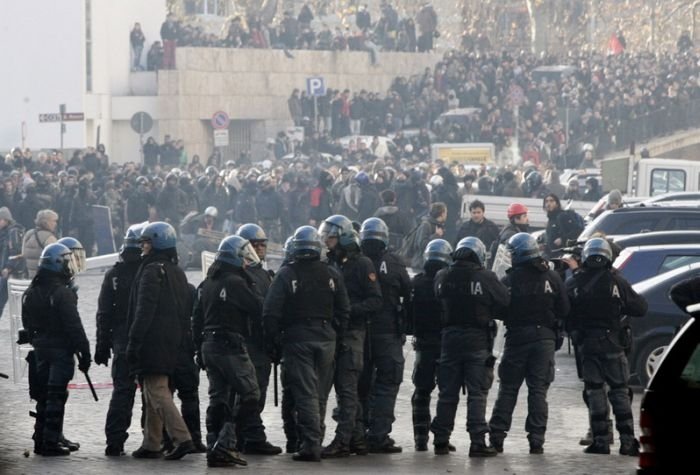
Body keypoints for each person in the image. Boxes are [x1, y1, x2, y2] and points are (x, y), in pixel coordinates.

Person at [263, 226, 351, 462]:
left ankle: (311, 444)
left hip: (297, 338)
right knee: (320, 394)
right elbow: (344, 310)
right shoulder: (332, 273)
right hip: (326, 338)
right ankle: (316, 438)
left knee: (305, 394)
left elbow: (270, 312)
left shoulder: (286, 274)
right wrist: (337, 335)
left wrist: (276, 340)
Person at [488, 233, 570, 455]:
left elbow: (497, 308)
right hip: (544, 340)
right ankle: (536, 440)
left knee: (508, 389)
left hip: (517, 339)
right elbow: (564, 308)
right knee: (538, 391)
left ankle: (496, 437)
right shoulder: (552, 277)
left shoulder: (511, 280)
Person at [565, 238, 647, 456]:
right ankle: (628, 442)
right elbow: (640, 307)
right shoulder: (616, 282)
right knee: (619, 391)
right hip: (613, 343)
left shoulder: (575, 283)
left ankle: (600, 441)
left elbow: (563, 312)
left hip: (588, 345)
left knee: (594, 392)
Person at [430, 237, 508, 456]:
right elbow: (504, 300)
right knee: (477, 394)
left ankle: (441, 440)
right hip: (477, 340)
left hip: (449, 339)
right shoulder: (486, 277)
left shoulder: (442, 276)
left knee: (447, 393)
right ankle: (477, 442)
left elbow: (438, 300)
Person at [191, 235, 262, 468]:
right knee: (250, 394)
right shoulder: (235, 282)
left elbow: (196, 319)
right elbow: (256, 307)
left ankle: (214, 446)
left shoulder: (208, 282)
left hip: (209, 346)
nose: (246, 262)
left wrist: (197, 349)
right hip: (231, 346)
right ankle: (226, 443)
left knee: (218, 398)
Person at [126, 221, 195, 460]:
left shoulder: (150, 270)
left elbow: (143, 310)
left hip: (152, 339)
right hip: (172, 339)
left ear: (155, 243)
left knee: (156, 389)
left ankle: (182, 437)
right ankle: (152, 442)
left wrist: (134, 341)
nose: (142, 247)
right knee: (150, 389)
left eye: (145, 242)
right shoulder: (176, 271)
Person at [320, 215, 382, 458]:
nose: (327, 241)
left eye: (332, 237)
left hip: (353, 333)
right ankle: (356, 438)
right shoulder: (332, 263)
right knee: (344, 390)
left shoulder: (362, 264)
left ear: (344, 237)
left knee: (347, 390)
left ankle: (343, 440)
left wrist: (347, 310)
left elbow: (375, 300)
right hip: (336, 332)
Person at [21, 242, 91, 456]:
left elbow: (27, 322)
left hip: (41, 348)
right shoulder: (61, 293)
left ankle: (41, 438)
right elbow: (74, 325)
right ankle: (50, 442)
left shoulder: (33, 290)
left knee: (45, 394)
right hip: (60, 349)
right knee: (56, 395)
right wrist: (84, 351)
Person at [357, 218, 411, 453]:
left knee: (360, 384)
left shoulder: (355, 262)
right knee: (387, 383)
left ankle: (357, 433)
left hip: (360, 333)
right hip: (388, 332)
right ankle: (378, 435)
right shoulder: (395, 262)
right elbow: (408, 294)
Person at [95, 223, 145, 456]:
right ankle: (153, 439)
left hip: (122, 340)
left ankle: (114, 441)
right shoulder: (150, 271)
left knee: (122, 391)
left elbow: (104, 314)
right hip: (147, 339)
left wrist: (102, 345)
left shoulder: (114, 274)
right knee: (153, 392)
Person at [234, 223, 282, 455]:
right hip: (249, 341)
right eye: (256, 244)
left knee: (256, 392)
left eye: (263, 244)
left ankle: (245, 435)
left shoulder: (263, 274)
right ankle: (250, 436)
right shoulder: (241, 275)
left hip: (262, 342)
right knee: (250, 393)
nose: (261, 248)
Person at [408, 239, 452, 451]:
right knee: (446, 392)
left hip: (424, 344)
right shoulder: (449, 282)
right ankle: (441, 439)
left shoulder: (417, 283)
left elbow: (408, 315)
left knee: (422, 391)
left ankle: (420, 438)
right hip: (446, 343)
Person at [489, 203, 529, 272]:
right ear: (516, 218)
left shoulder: (516, 229)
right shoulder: (510, 233)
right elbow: (513, 247)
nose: (527, 219)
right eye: (524, 216)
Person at [0, 206, 25, 317]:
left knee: (2, 297)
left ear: (6, 220)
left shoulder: (13, 232)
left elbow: (16, 252)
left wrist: (8, 267)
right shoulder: (4, 232)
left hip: (9, 272)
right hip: (3, 270)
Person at [543, 194, 584, 258]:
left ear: (557, 204)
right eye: (546, 201)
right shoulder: (551, 219)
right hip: (552, 255)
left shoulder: (562, 216)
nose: (548, 203)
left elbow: (578, 230)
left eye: (551, 201)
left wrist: (562, 239)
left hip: (562, 255)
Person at [22, 209, 59, 278]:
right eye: (54, 221)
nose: (56, 224)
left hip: (30, 277)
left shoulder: (28, 234)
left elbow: (24, 254)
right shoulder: (49, 238)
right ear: (46, 222)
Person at [412, 202, 447, 270]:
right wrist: (436, 235)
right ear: (442, 214)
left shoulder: (439, 226)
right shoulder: (426, 225)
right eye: (446, 213)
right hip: (421, 265)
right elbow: (421, 245)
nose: (446, 215)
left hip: (432, 265)